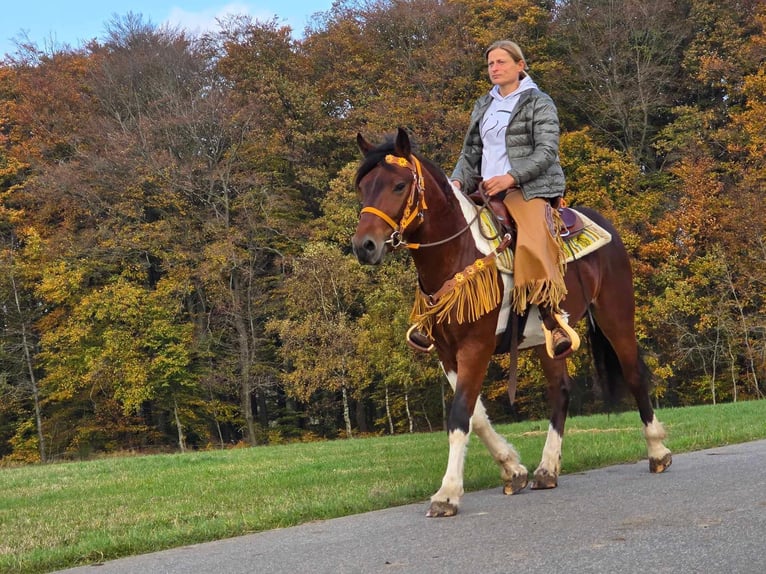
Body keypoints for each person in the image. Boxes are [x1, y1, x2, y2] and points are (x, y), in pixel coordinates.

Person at [449, 40, 574, 358]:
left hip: (528, 187)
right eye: (490, 63)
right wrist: (457, 180)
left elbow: (547, 152)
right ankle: (436, 313)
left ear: (520, 66)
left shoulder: (538, 102)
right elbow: (471, 152)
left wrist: (511, 177)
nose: (494, 68)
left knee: (531, 237)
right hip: (485, 188)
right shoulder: (483, 104)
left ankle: (551, 318)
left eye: (501, 62)